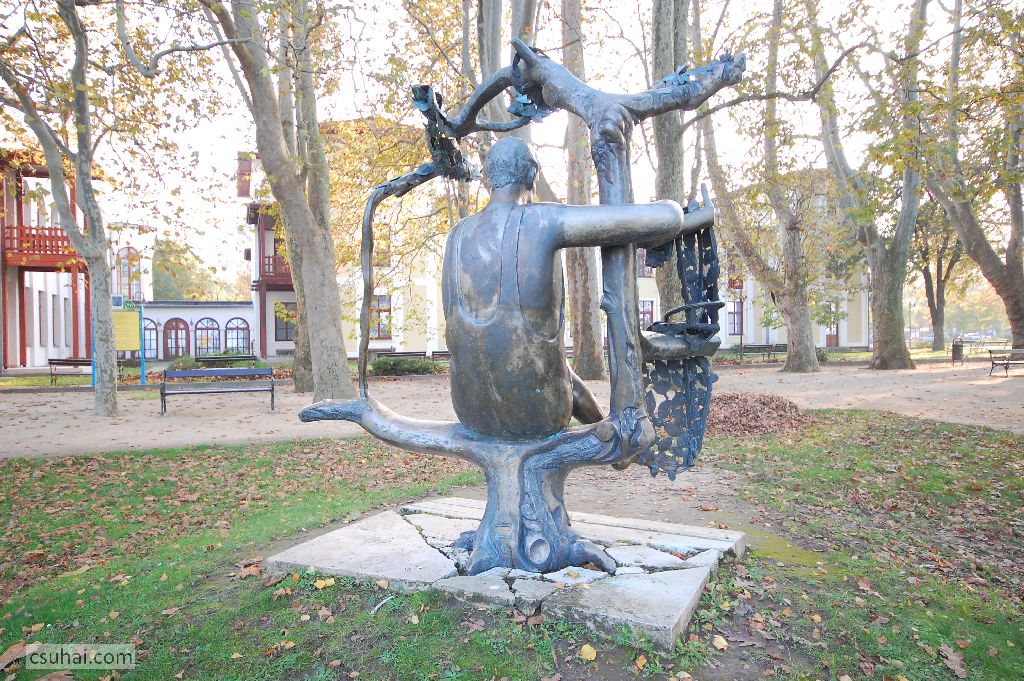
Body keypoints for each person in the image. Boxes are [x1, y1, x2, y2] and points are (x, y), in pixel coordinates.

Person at [441, 136, 693, 440]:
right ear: (531, 175)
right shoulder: (542, 220)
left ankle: (607, 436)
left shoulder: (456, 236)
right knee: (557, 376)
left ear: (488, 179)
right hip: (538, 414)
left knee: (556, 370)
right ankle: (613, 443)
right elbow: (667, 218)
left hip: (471, 411)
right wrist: (674, 208)